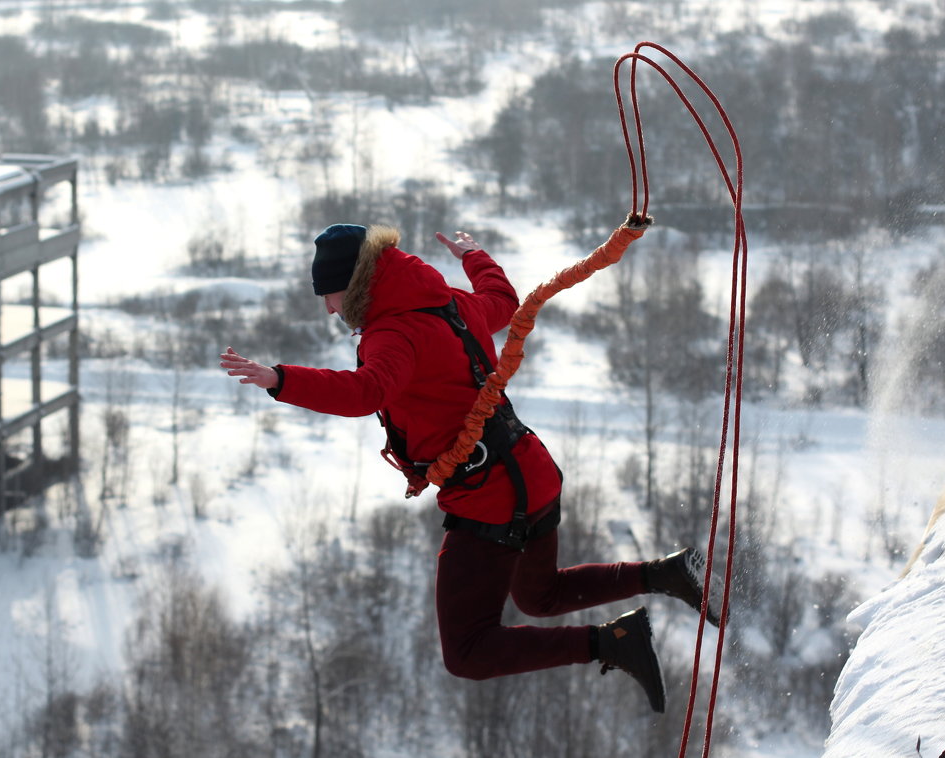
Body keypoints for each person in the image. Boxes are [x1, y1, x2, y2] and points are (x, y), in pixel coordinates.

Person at [220, 223, 720, 713]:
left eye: (328, 294)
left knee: (468, 653)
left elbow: (365, 391)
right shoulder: (449, 303)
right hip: (531, 469)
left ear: (352, 287)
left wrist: (279, 379)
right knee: (540, 595)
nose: (328, 308)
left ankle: (615, 642)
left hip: (490, 496)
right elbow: (501, 301)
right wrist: (475, 256)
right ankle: (671, 574)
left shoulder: (393, 333)